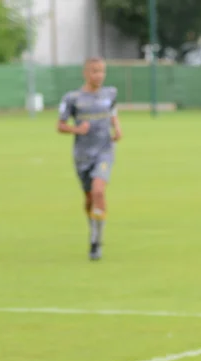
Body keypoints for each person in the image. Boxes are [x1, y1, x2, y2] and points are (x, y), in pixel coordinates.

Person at [57, 57, 122, 261]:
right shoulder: (73, 98)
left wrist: (117, 128)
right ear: (86, 73)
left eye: (102, 71)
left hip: (104, 150)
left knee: (98, 191)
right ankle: (93, 229)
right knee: (88, 199)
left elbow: (112, 113)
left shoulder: (110, 94)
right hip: (83, 155)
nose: (99, 75)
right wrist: (77, 129)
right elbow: (60, 125)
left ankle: (96, 240)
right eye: (95, 71)